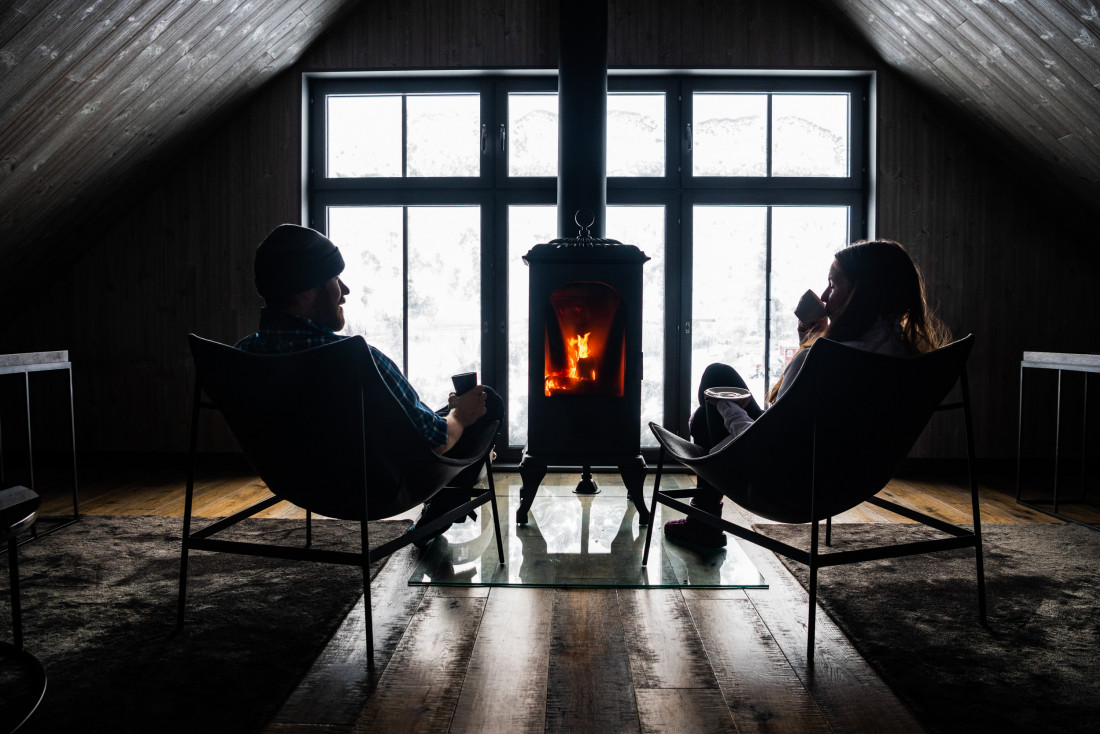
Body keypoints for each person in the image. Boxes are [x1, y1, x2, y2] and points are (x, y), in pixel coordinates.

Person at [666, 239, 952, 552]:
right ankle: (701, 521)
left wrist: (729, 409)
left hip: (787, 486)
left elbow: (771, 446)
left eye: (833, 283)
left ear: (862, 293)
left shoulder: (821, 359)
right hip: (855, 480)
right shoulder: (913, 361)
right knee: (708, 415)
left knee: (716, 379)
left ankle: (702, 522)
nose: (825, 296)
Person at [235, 223, 503, 543]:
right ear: (307, 290)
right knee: (488, 403)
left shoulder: (241, 357)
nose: (345, 291)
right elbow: (436, 440)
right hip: (376, 491)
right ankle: (439, 509)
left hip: (291, 482)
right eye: (335, 279)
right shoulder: (356, 359)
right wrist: (461, 413)